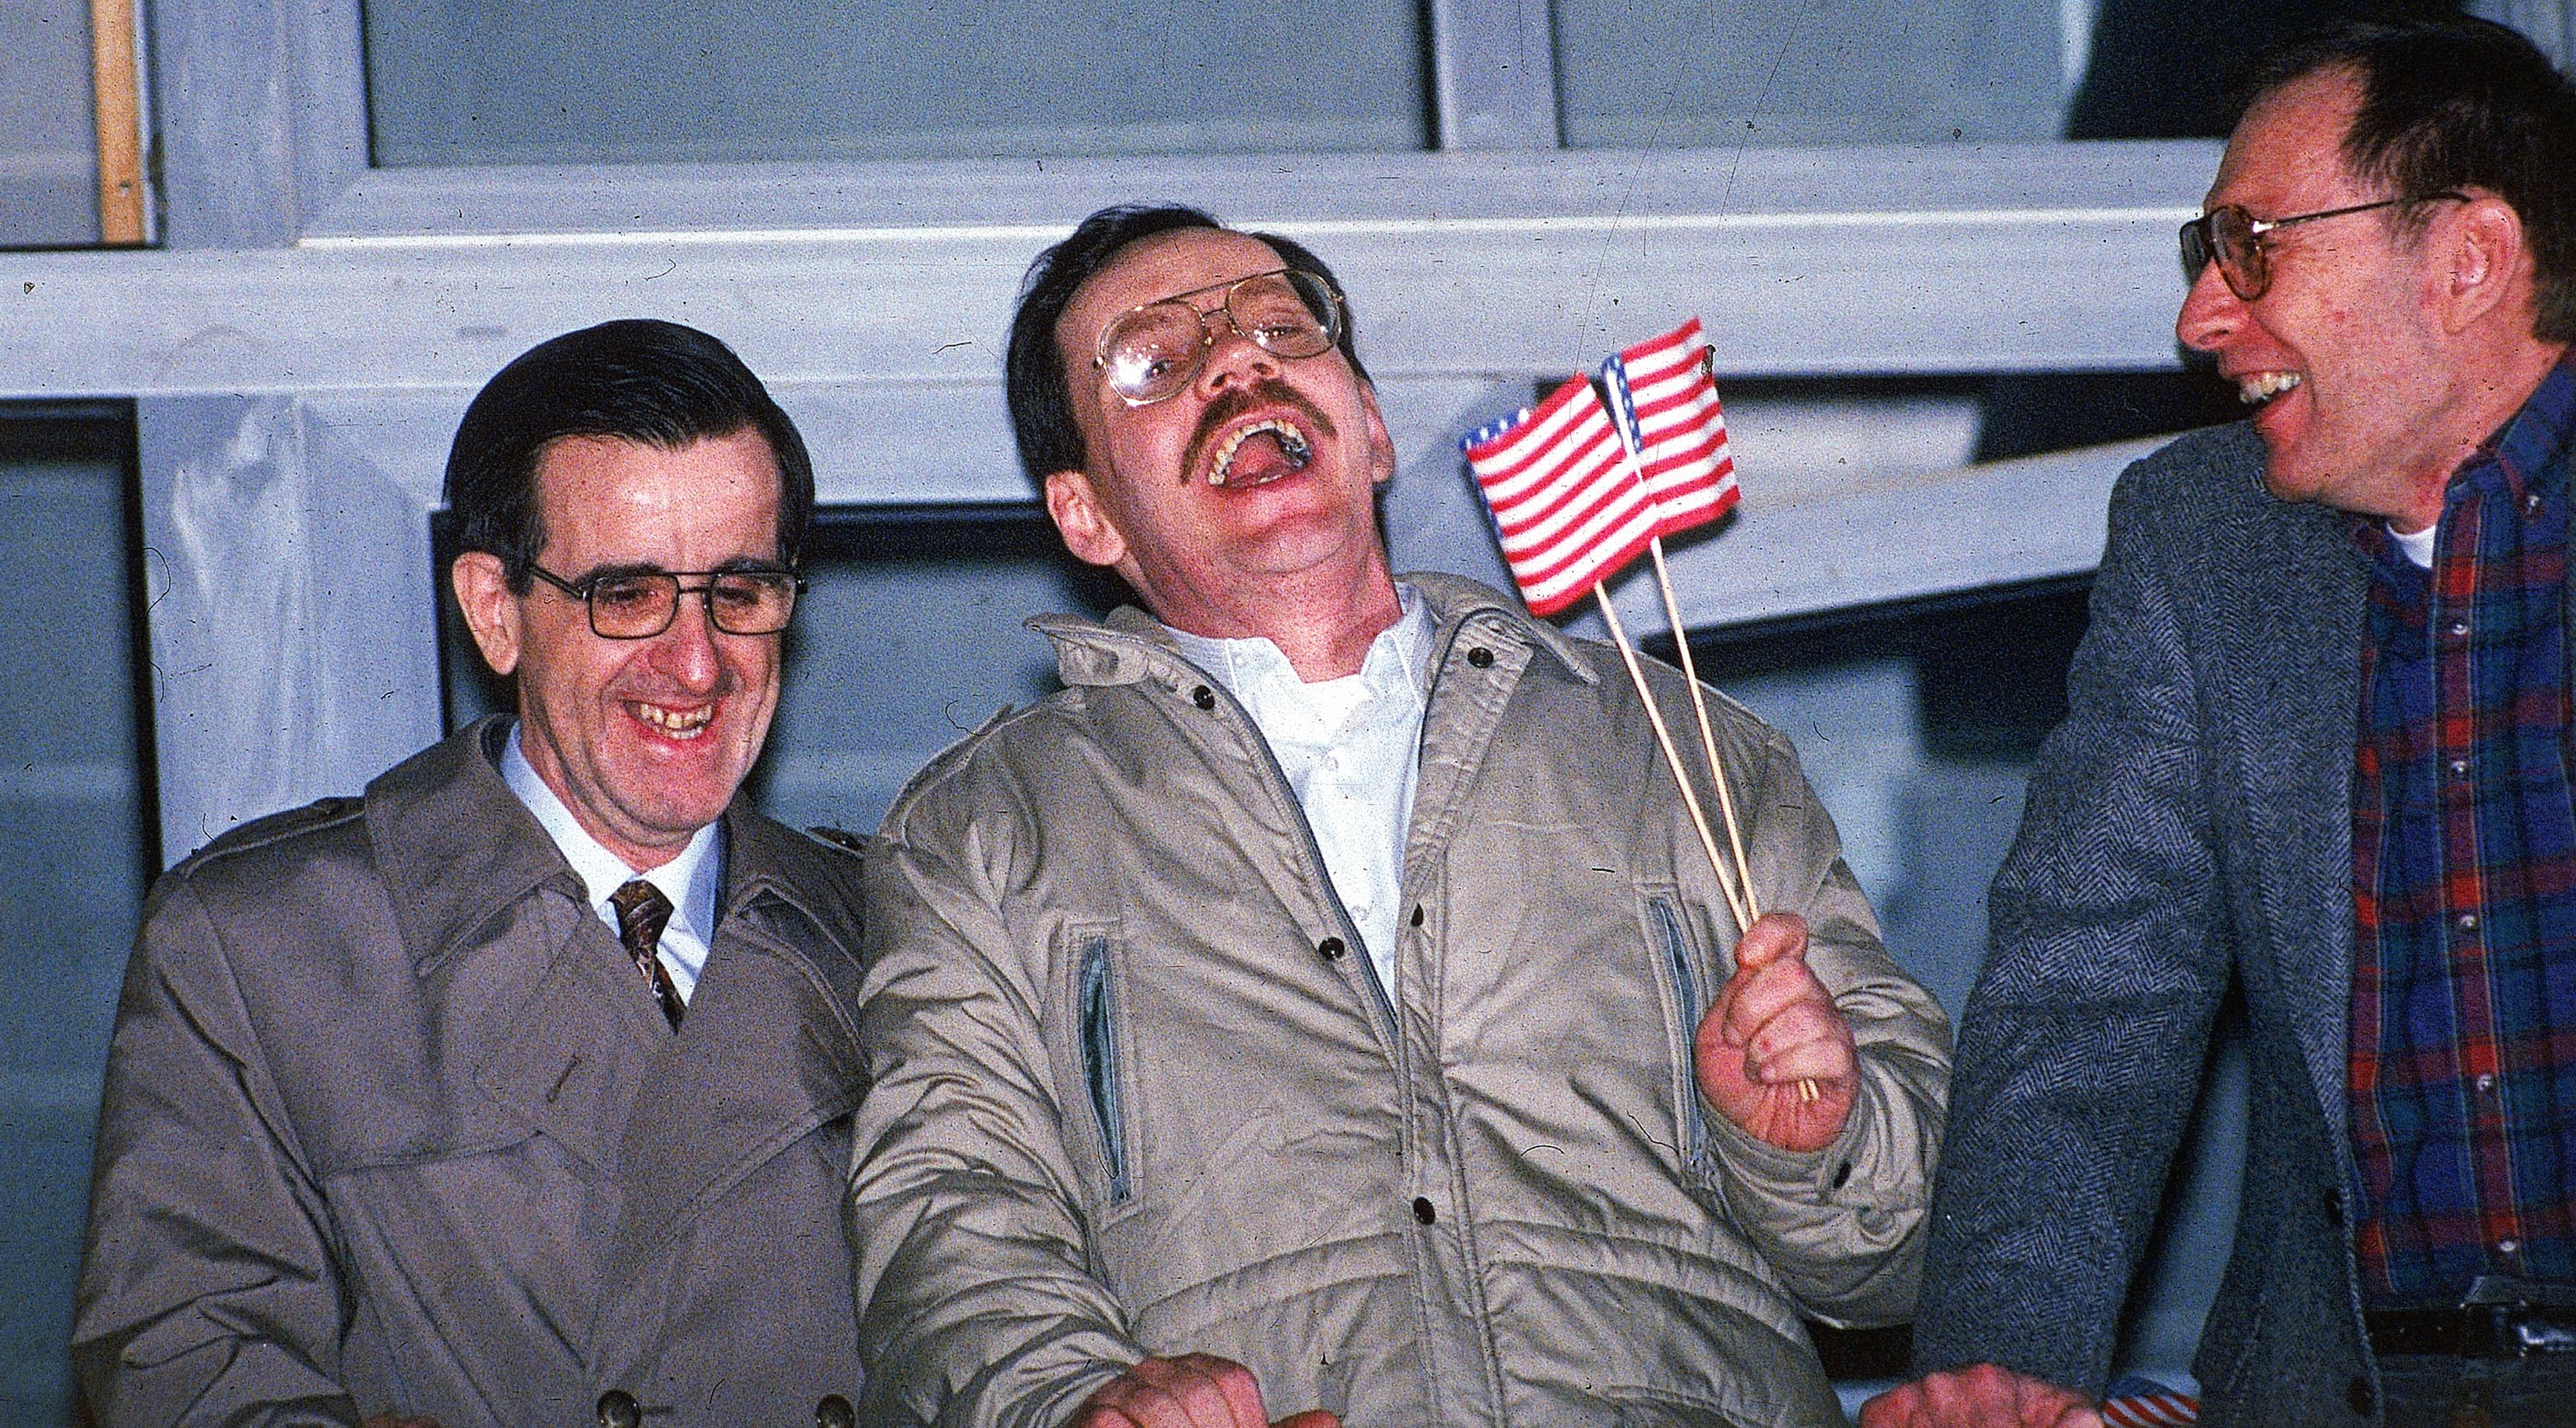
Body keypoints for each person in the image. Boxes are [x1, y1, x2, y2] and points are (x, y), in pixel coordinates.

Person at [847, 202, 1951, 1427]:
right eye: (1154, 361)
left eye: (1279, 323)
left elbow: (1911, 1253)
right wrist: (1076, 1401)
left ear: (1371, 430)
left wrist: (1814, 1138)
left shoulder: (1685, 749)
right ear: (1085, 514)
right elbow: (950, 1222)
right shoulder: (985, 833)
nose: (1236, 360)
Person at [1868, 16, 2576, 1428]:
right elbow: (2086, 1001)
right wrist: (2000, 1382)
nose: (2200, 318)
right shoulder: (2199, 538)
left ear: (2466, 260)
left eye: (2253, 245)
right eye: (2202, 257)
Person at [75, 321, 869, 1427]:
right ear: (496, 611)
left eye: (740, 592)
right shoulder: (264, 947)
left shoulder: (894, 930)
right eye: (627, 596)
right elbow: (192, 1373)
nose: (697, 662)